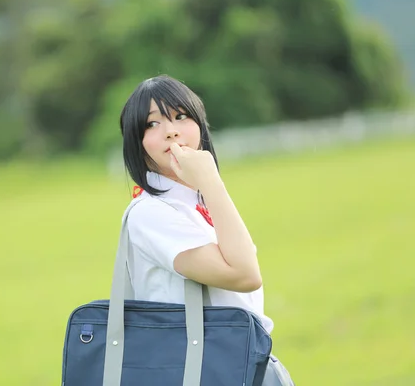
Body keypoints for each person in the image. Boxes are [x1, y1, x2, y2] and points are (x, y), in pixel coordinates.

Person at [118, 75, 295, 385]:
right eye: (152, 124)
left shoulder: (197, 203)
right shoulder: (150, 213)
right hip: (202, 370)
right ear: (138, 143)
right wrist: (212, 180)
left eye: (180, 116)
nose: (171, 130)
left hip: (243, 361)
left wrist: (208, 186)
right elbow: (245, 274)